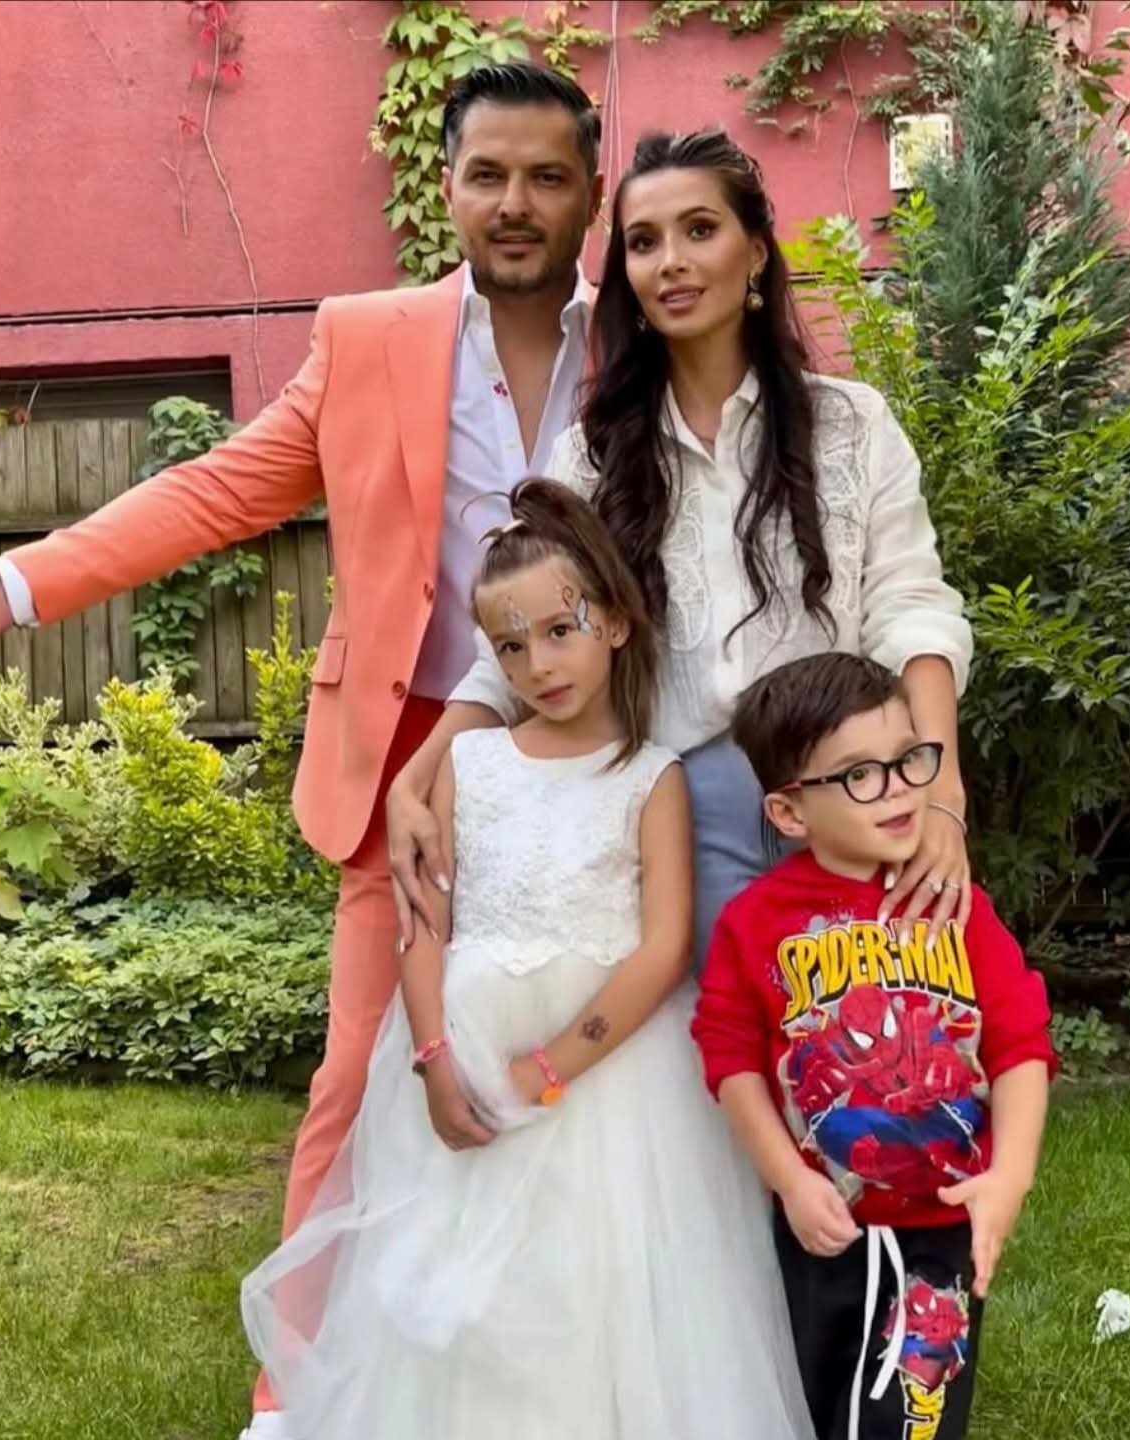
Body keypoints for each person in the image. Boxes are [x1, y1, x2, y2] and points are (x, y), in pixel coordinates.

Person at [0, 61, 605, 1440]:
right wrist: (23, 582)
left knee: (596, 1062)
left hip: (597, 753)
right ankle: (295, 1394)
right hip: (409, 757)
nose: (515, 203)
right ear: (447, 188)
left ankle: (568, 1366)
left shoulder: (647, 332)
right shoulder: (371, 339)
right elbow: (217, 490)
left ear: (589, 191)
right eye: (488, 175)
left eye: (547, 177)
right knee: (359, 1076)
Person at [241, 479, 815, 1440]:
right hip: (466, 1048)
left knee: (594, 1279)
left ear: (615, 625)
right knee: (465, 1282)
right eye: (510, 646)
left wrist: (547, 1069)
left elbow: (664, 945)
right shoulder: (471, 767)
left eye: (559, 631)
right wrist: (434, 1057)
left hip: (609, 1078)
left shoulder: (652, 777)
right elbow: (426, 920)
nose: (538, 664)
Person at [388, 128, 975, 978]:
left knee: (877, 1038)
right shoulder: (593, 459)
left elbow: (912, 610)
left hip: (855, 799)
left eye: (700, 230)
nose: (671, 262)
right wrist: (416, 777)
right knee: (721, 1045)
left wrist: (939, 789)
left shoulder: (851, 426)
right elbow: (514, 645)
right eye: (642, 242)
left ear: (756, 252)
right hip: (680, 815)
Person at [691, 651, 1054, 1440]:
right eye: (859, 774)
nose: (895, 788)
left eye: (906, 760)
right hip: (823, 1226)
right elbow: (730, 1059)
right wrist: (789, 1179)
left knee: (912, 1418)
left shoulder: (955, 905)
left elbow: (1021, 1043)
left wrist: (1010, 1177)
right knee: (822, 1409)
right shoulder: (756, 923)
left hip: (943, 1225)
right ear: (789, 812)